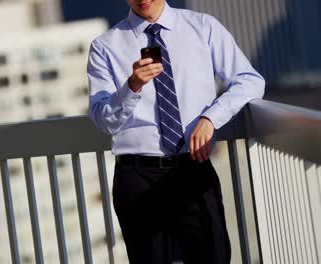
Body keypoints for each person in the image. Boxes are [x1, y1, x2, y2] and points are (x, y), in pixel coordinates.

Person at [87, 0, 265, 263]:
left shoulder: (203, 27)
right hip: (137, 177)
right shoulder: (105, 46)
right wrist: (132, 86)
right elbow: (104, 121)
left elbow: (250, 81)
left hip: (193, 167)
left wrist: (211, 118)